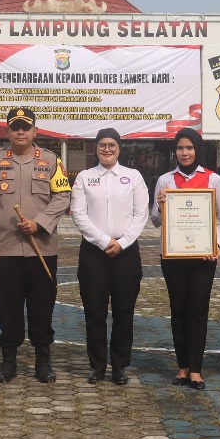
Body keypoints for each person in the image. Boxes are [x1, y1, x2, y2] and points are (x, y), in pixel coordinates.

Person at [0, 108, 72, 384]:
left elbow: (62, 197)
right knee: (8, 305)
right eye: (15, 127)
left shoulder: (51, 161)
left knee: (42, 305)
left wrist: (39, 222)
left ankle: (43, 360)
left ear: (34, 132)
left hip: (42, 248)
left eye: (25, 128)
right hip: (4, 249)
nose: (20, 132)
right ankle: (8, 361)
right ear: (7, 132)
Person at [151, 127, 220, 391]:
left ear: (198, 149)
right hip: (173, 255)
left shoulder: (213, 179)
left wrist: (215, 243)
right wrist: (162, 206)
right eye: (180, 148)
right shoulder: (165, 180)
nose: (184, 153)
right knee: (178, 311)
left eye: (190, 148)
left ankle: (196, 369)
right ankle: (182, 367)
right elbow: (155, 221)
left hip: (203, 257)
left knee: (197, 311)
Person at [71, 127, 149, 385]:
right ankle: (97, 365)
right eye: (102, 145)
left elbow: (141, 214)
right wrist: (105, 241)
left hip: (126, 253)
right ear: (96, 148)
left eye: (112, 145)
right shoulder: (84, 177)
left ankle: (119, 366)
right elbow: (79, 215)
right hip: (94, 252)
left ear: (119, 148)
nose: (107, 149)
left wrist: (123, 242)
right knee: (94, 311)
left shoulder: (133, 176)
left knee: (124, 311)